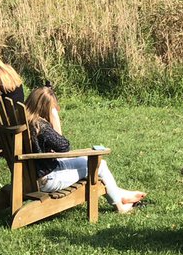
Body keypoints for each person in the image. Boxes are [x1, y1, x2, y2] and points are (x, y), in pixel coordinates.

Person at [23, 85, 146, 214]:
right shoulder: (40, 125)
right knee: (99, 166)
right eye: (52, 108)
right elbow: (64, 147)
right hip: (47, 180)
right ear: (45, 107)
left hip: (35, 174)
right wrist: (55, 118)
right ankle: (120, 206)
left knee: (94, 162)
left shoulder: (25, 121)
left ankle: (120, 194)